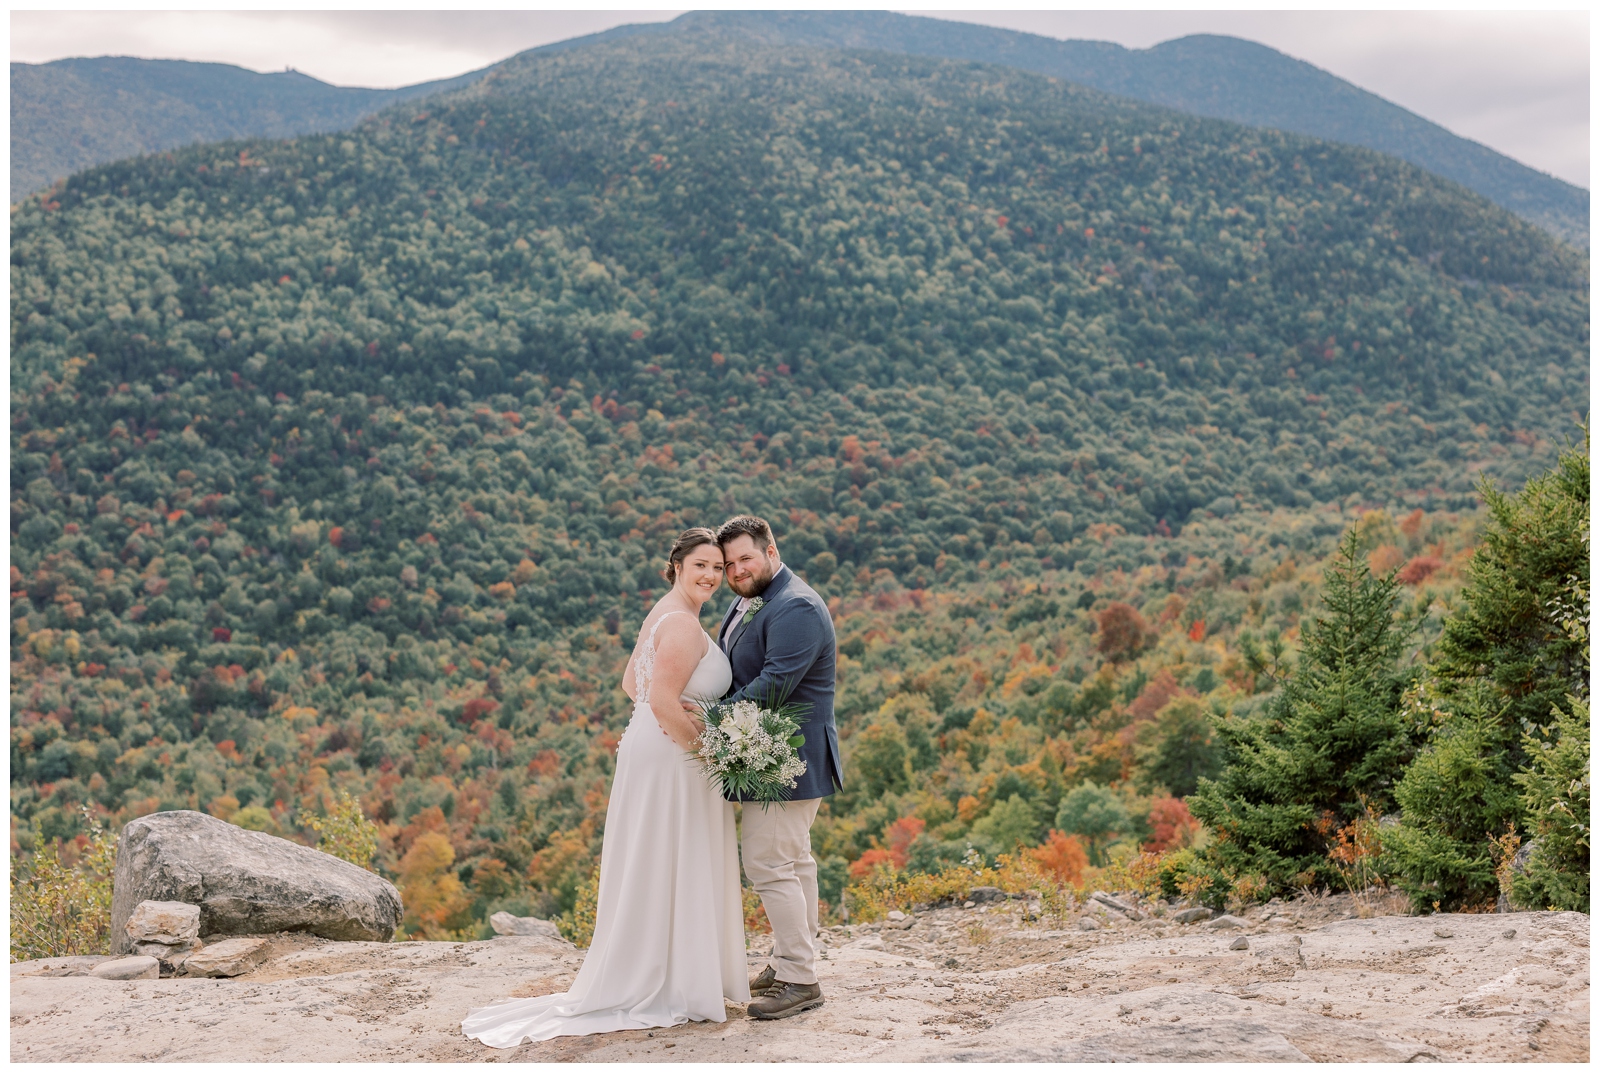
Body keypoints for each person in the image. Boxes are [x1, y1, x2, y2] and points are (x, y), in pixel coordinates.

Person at [461, 529, 748, 1047]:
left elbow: (629, 685)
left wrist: (683, 704)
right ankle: (671, 979)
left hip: (650, 748)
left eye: (717, 567)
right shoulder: (681, 625)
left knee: (655, 857)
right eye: (700, 565)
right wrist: (709, 751)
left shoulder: (661, 613)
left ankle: (661, 967)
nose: (710, 575)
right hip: (674, 755)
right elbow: (659, 700)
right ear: (677, 565)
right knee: (670, 857)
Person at [713, 515, 842, 1020]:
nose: (737, 570)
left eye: (746, 558)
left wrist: (710, 721)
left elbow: (772, 686)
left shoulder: (797, 607)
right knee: (794, 861)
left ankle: (801, 980)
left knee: (768, 863)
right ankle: (791, 959)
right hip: (773, 754)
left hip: (789, 758)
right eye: (728, 565)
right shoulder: (753, 597)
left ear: (771, 549)